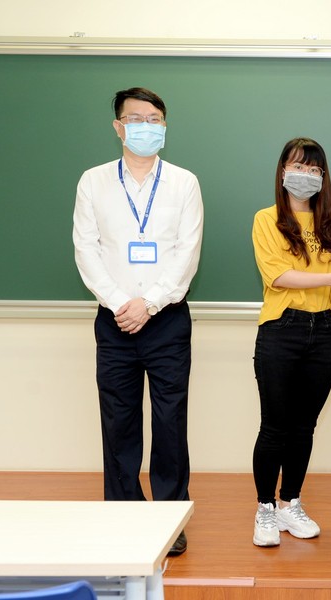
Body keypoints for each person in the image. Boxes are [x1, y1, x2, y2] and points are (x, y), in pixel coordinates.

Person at [73, 87, 203, 556]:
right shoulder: (93, 181)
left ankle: (170, 518)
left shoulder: (184, 183)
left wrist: (148, 303)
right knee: (118, 422)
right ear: (118, 126)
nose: (145, 126)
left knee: (170, 422)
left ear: (164, 127)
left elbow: (187, 252)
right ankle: (124, 513)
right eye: (135, 119)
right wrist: (120, 304)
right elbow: (86, 249)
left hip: (166, 319)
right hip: (114, 322)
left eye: (154, 119)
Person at [250, 137, 331, 547]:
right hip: (282, 329)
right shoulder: (266, 219)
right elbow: (278, 276)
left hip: (324, 330)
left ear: (323, 177)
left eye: (314, 169)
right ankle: (264, 508)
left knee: (304, 426)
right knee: (274, 426)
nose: (306, 175)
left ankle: (289, 503)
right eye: (298, 166)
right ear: (283, 171)